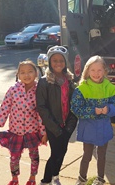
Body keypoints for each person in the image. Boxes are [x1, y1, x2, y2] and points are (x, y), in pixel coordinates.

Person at [0, 59, 47, 185]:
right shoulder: (13, 90)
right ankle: (14, 178)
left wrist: (44, 132)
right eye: (22, 72)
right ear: (18, 75)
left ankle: (32, 178)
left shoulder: (39, 91)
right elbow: (5, 107)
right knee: (14, 157)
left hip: (32, 131)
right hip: (15, 131)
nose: (26, 75)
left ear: (36, 73)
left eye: (30, 72)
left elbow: (41, 114)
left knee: (34, 156)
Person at [71, 55, 115, 185]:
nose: (96, 73)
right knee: (87, 154)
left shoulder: (109, 87)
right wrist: (93, 111)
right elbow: (75, 108)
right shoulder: (82, 88)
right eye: (93, 70)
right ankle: (81, 178)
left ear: (104, 71)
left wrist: (109, 109)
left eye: (99, 70)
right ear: (87, 71)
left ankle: (100, 179)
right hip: (89, 128)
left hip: (104, 128)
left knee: (102, 155)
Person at [36, 45, 78, 185]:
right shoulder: (44, 81)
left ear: (66, 62)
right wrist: (55, 129)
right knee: (56, 153)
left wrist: (70, 126)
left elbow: (74, 104)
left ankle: (54, 176)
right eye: (55, 60)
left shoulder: (70, 80)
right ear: (49, 61)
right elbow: (41, 107)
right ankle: (48, 179)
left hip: (67, 124)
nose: (58, 63)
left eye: (61, 60)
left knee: (63, 151)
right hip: (53, 125)